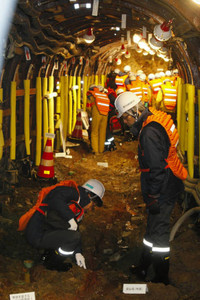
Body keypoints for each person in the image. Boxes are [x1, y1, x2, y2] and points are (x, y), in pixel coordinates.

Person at [114, 92, 187, 284]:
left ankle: (161, 276)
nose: (126, 123)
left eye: (126, 118)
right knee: (152, 227)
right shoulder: (153, 118)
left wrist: (154, 195)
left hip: (163, 187)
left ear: (134, 112)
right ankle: (144, 267)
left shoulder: (148, 133)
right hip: (167, 181)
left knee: (160, 231)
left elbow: (155, 168)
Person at [18, 179, 105, 272]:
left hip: (42, 231)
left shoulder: (75, 205)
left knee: (72, 235)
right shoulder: (72, 193)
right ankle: (52, 262)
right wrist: (70, 218)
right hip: (36, 234)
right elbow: (55, 198)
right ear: (89, 196)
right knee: (72, 237)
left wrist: (78, 253)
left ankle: (48, 255)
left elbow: (74, 230)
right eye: (93, 205)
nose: (91, 209)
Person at [86, 85, 110, 155]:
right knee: (102, 132)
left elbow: (88, 108)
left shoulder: (91, 96)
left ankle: (95, 151)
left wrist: (90, 114)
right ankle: (101, 150)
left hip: (97, 114)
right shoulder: (104, 95)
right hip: (105, 115)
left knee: (94, 132)